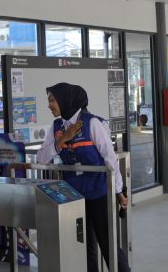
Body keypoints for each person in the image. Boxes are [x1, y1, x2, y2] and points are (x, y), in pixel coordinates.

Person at [37, 82, 130, 272]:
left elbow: (110, 160)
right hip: (73, 197)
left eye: (52, 100)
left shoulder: (92, 123)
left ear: (65, 100)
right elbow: (41, 158)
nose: (49, 105)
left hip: (99, 193)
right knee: (84, 245)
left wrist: (119, 190)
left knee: (108, 243)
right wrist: (61, 140)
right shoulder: (56, 128)